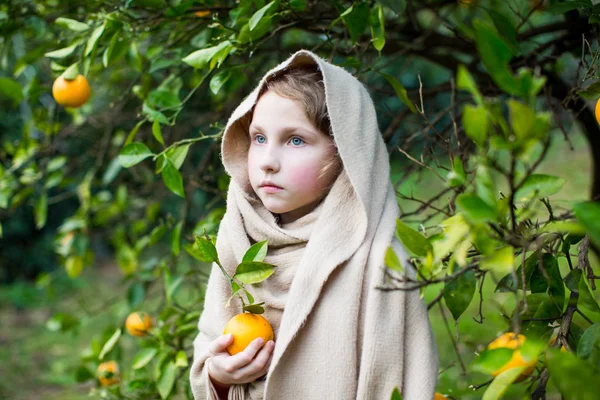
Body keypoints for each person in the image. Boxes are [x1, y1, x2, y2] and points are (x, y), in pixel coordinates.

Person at [189, 49, 438, 400]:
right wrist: (217, 375)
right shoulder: (238, 239)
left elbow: (399, 382)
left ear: (345, 153)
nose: (268, 162)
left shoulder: (376, 261)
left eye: (295, 140)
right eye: (259, 138)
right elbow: (209, 349)